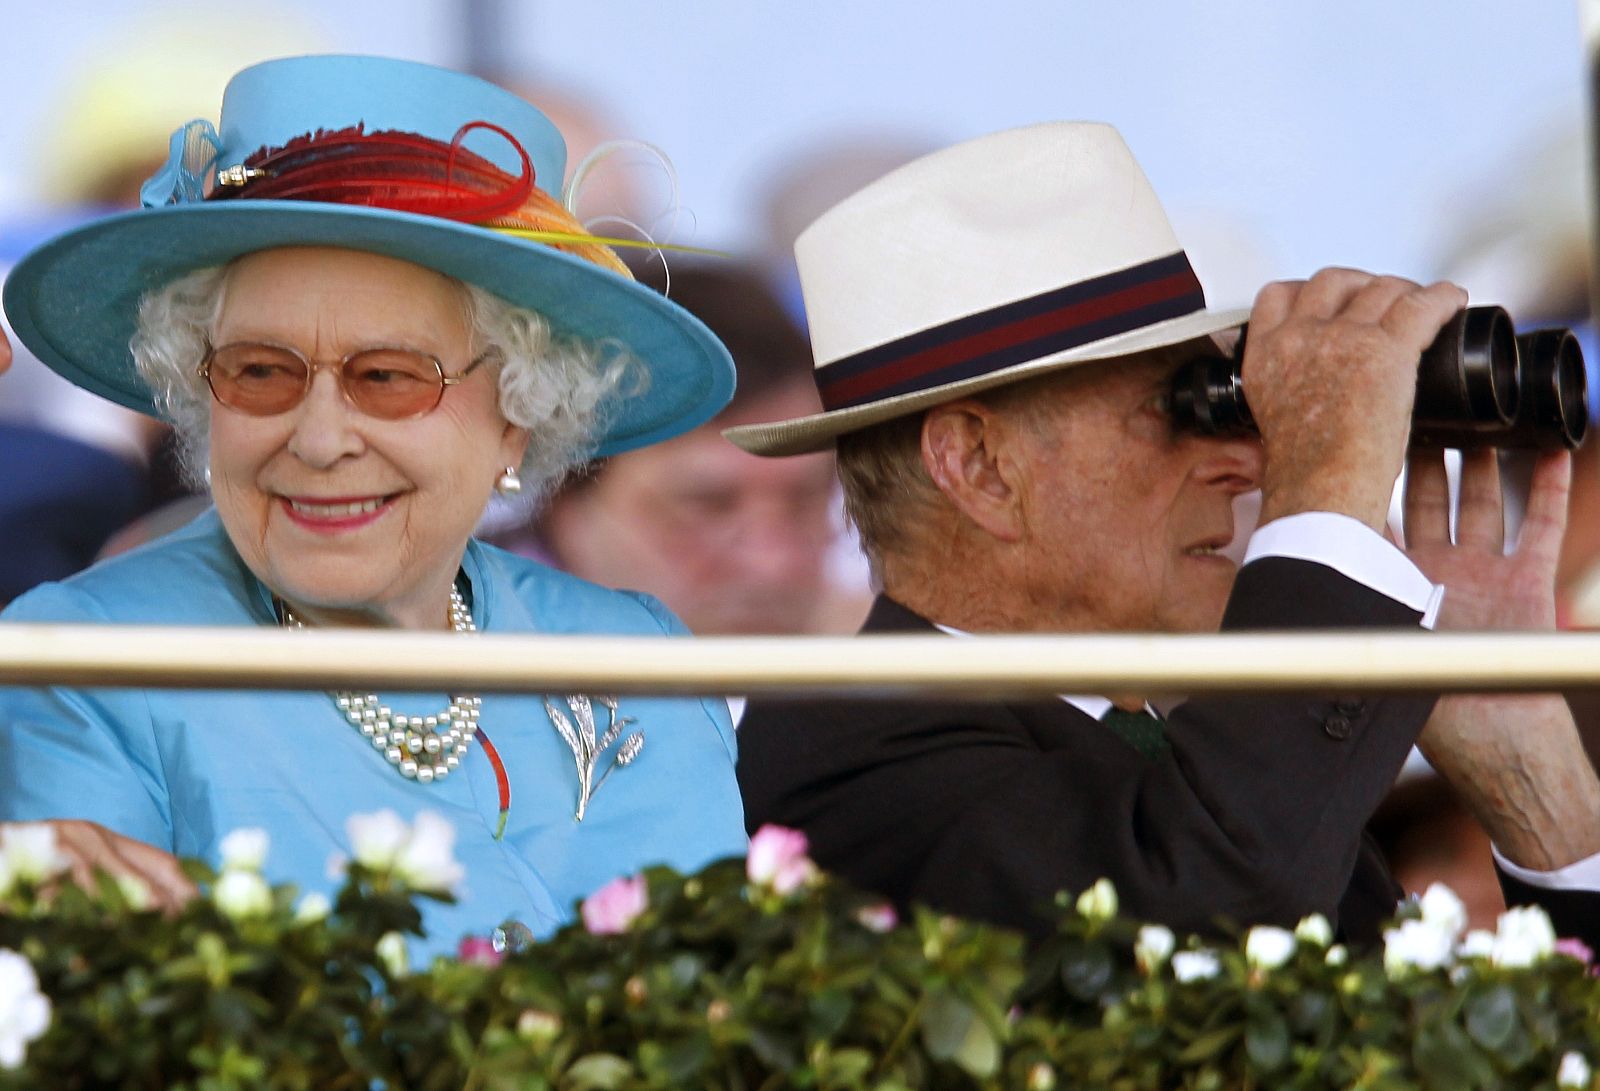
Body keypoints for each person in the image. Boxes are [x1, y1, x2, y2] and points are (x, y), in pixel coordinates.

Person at [730, 122, 1600, 946]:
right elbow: (1208, 909)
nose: (1249, 463)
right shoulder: (840, 743)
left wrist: (1530, 773)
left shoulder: (1224, 762)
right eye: (1178, 409)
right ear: (981, 466)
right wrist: (1329, 504)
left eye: (1234, 404)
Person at [0, 55, 746, 955]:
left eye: (387, 378)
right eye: (261, 373)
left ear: (519, 413)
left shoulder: (633, 659)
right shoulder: (88, 663)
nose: (318, 440)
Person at [501, 261, 869, 637]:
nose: (772, 564)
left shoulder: (880, 658)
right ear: (563, 497)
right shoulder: (461, 658)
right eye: (707, 507)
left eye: (804, 503)